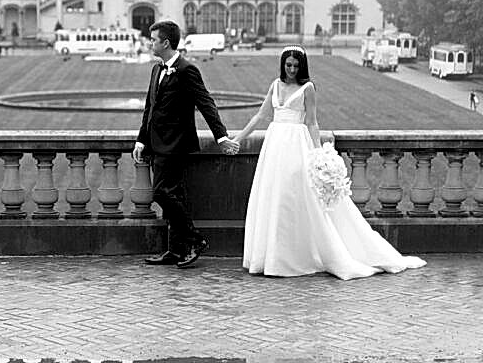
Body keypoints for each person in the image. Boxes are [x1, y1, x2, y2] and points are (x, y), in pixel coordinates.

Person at [234, 45, 426, 280]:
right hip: (274, 147)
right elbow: (260, 116)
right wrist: (237, 139)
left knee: (296, 197)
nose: (292, 69)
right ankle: (272, 256)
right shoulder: (275, 85)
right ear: (283, 65)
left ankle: (296, 256)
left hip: (296, 144)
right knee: (273, 196)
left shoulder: (308, 88)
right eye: (288, 65)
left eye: (296, 66)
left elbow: (312, 122)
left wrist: (319, 155)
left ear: (301, 66)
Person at [133, 20, 239, 269]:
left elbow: (205, 103)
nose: (150, 43)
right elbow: (150, 108)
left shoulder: (186, 70)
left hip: (176, 145)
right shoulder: (157, 70)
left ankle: (195, 239)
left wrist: (221, 137)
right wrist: (141, 139)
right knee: (173, 194)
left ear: (166, 42)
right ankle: (175, 250)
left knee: (161, 193)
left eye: (153, 40)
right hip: (157, 144)